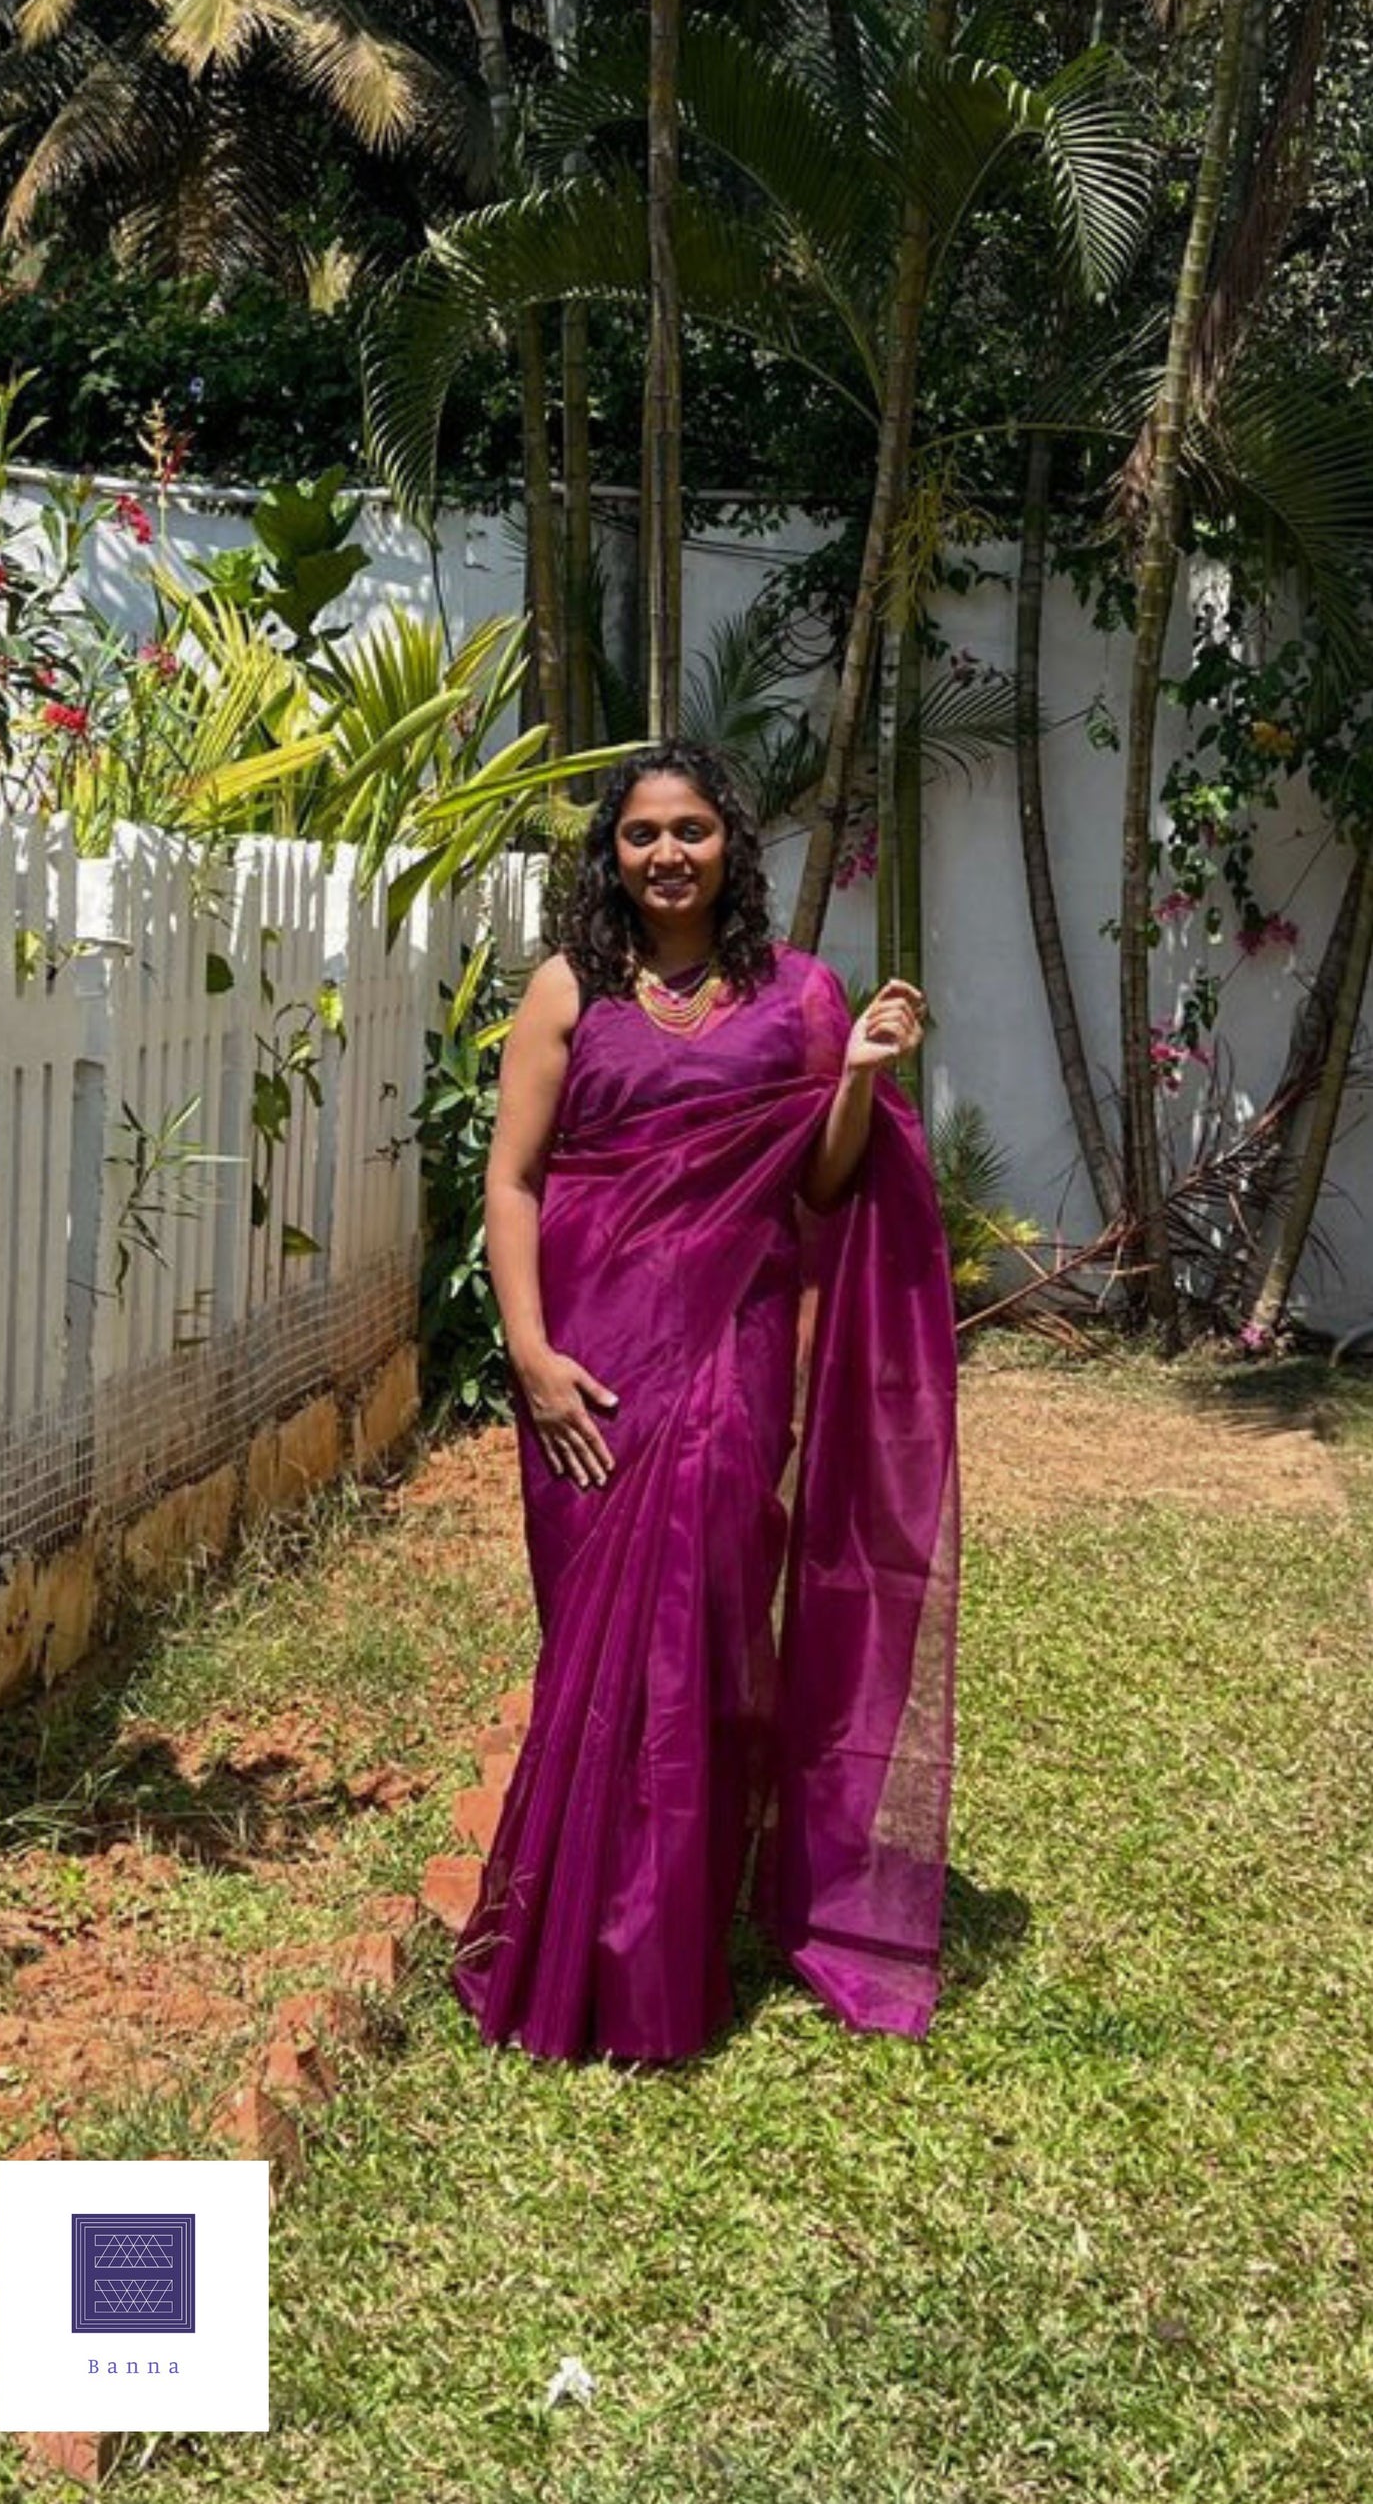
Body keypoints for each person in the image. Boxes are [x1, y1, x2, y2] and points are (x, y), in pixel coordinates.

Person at [449, 741, 960, 2064]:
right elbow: (512, 1180)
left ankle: (665, 1947)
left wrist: (855, 1076)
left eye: (689, 830)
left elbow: (826, 1189)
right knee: (594, 1639)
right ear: (608, 856)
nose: (665, 853)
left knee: (710, 1620)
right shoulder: (568, 989)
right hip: (587, 1360)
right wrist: (530, 1352)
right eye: (639, 835)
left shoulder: (799, 995)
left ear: (728, 843)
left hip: (730, 1356)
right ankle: (573, 1935)